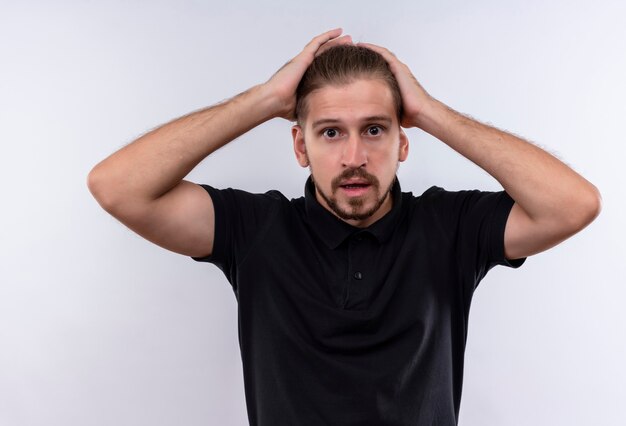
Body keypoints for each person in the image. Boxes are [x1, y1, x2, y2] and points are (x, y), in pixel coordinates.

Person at [87, 28, 601, 425]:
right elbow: (117, 186)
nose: (354, 156)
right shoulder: (255, 230)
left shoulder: (451, 227)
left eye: (374, 130)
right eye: (330, 132)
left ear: (403, 142)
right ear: (299, 146)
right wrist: (265, 99)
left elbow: (573, 205)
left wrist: (430, 111)